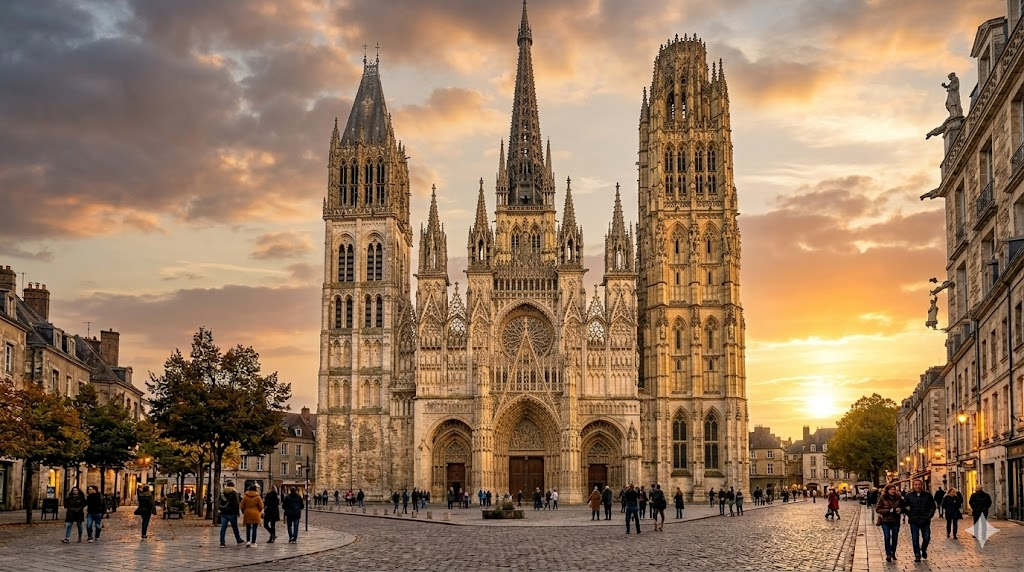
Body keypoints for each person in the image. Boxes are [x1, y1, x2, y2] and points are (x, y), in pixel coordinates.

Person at [902, 479, 936, 562]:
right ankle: (917, 554)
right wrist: (910, 515)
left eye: (919, 484)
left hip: (925, 520)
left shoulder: (927, 495)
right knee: (915, 538)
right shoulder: (908, 496)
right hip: (914, 520)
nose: (917, 486)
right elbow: (905, 506)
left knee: (927, 537)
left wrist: (929, 516)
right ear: (913, 486)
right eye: (915, 485)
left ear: (922, 485)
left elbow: (932, 507)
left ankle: (923, 549)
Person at [876, 484, 903, 562]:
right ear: (887, 490)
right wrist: (889, 511)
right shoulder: (883, 497)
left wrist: (900, 510)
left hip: (895, 521)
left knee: (894, 538)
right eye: (891, 489)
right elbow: (878, 509)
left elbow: (903, 506)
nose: (892, 491)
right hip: (885, 521)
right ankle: (888, 554)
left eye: (894, 489)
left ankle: (893, 552)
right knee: (887, 537)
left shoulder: (898, 498)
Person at [218, 481, 245, 547]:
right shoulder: (234, 493)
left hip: (224, 512)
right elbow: (236, 503)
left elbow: (219, 502)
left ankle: (222, 542)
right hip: (232, 513)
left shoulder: (222, 493)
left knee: (223, 528)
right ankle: (238, 540)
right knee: (235, 527)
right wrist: (238, 513)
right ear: (233, 486)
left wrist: (221, 509)